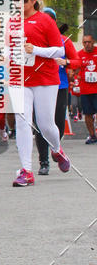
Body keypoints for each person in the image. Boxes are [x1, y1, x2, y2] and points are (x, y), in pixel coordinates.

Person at [9, 0, 70, 186]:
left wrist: (36, 50)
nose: (19, 3)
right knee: (22, 121)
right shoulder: (12, 22)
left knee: (45, 125)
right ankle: (26, 170)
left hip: (45, 78)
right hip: (20, 79)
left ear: (33, 0)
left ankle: (56, 148)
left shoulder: (45, 20)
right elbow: (8, 50)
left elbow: (59, 52)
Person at [33, 10, 78, 174]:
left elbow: (76, 61)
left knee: (57, 123)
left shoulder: (64, 40)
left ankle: (56, 148)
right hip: (38, 85)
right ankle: (43, 162)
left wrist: (66, 62)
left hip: (60, 86)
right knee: (40, 125)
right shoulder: (34, 40)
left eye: (49, 20)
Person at [76, 33, 97, 144]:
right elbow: (75, 69)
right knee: (87, 114)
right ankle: (92, 136)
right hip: (85, 90)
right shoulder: (79, 54)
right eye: (85, 42)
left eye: (89, 42)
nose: (87, 44)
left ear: (93, 41)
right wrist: (75, 76)